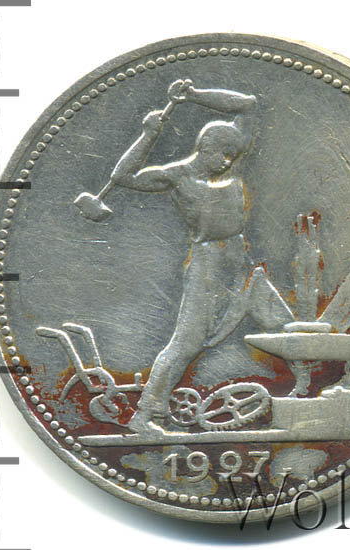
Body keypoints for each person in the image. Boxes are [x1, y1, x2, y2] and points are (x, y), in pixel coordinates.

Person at [110, 79, 294, 434]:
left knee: (285, 326)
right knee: (186, 344)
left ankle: (307, 393)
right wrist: (148, 135)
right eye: (222, 154)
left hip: (240, 263)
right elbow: (123, 176)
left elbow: (248, 103)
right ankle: (145, 416)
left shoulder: (231, 166)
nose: (228, 161)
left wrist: (195, 96)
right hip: (208, 267)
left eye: (232, 155)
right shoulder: (177, 177)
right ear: (204, 147)